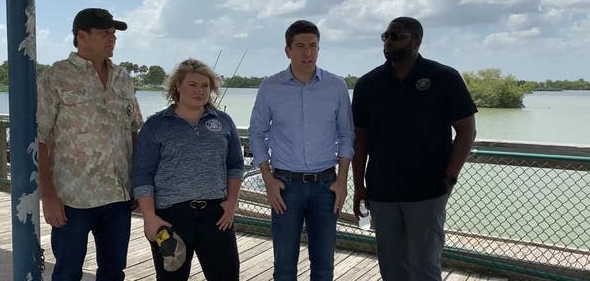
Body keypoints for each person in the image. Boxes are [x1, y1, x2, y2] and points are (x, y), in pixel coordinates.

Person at [352, 17, 477, 281]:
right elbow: (359, 138)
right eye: (385, 36)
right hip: (382, 193)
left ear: (417, 41)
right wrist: (359, 186)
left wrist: (450, 178)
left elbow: (466, 131)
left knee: (425, 267)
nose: (388, 42)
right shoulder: (368, 84)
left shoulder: (444, 78)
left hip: (427, 192)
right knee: (391, 267)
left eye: (396, 36)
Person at [37, 8, 143, 280]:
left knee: (113, 271)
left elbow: (135, 132)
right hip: (73, 199)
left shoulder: (122, 77)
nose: (112, 39)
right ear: (81, 36)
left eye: (114, 34)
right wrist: (47, 195)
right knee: (68, 272)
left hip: (119, 196)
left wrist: (141, 187)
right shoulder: (55, 77)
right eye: (105, 33)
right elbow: (40, 139)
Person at [248, 20, 355, 281]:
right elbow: (256, 133)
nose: (308, 52)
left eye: (313, 46)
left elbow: (346, 134)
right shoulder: (270, 87)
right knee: (284, 266)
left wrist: (342, 180)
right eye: (300, 46)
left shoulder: (336, 86)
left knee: (324, 265)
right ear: (288, 51)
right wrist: (268, 180)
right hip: (285, 187)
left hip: (326, 186)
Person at [132, 58, 244, 281]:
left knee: (227, 276)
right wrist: (149, 217)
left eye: (205, 86)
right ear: (177, 87)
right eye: (192, 85)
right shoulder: (156, 125)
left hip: (216, 214)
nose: (200, 91)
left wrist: (232, 202)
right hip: (171, 217)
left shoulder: (223, 122)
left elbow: (235, 165)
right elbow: (142, 173)